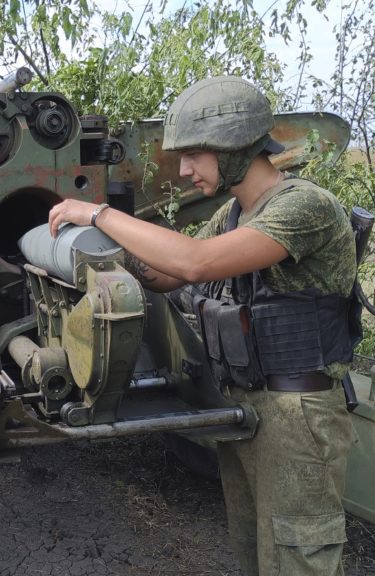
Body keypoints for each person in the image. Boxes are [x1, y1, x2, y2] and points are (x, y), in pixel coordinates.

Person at [48, 76, 358, 576]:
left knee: (299, 557)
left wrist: (99, 213)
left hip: (299, 414)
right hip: (245, 406)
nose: (185, 169)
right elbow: (166, 275)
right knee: (255, 551)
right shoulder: (235, 214)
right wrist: (98, 254)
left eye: (193, 154)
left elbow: (194, 263)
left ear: (234, 145)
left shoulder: (305, 206)